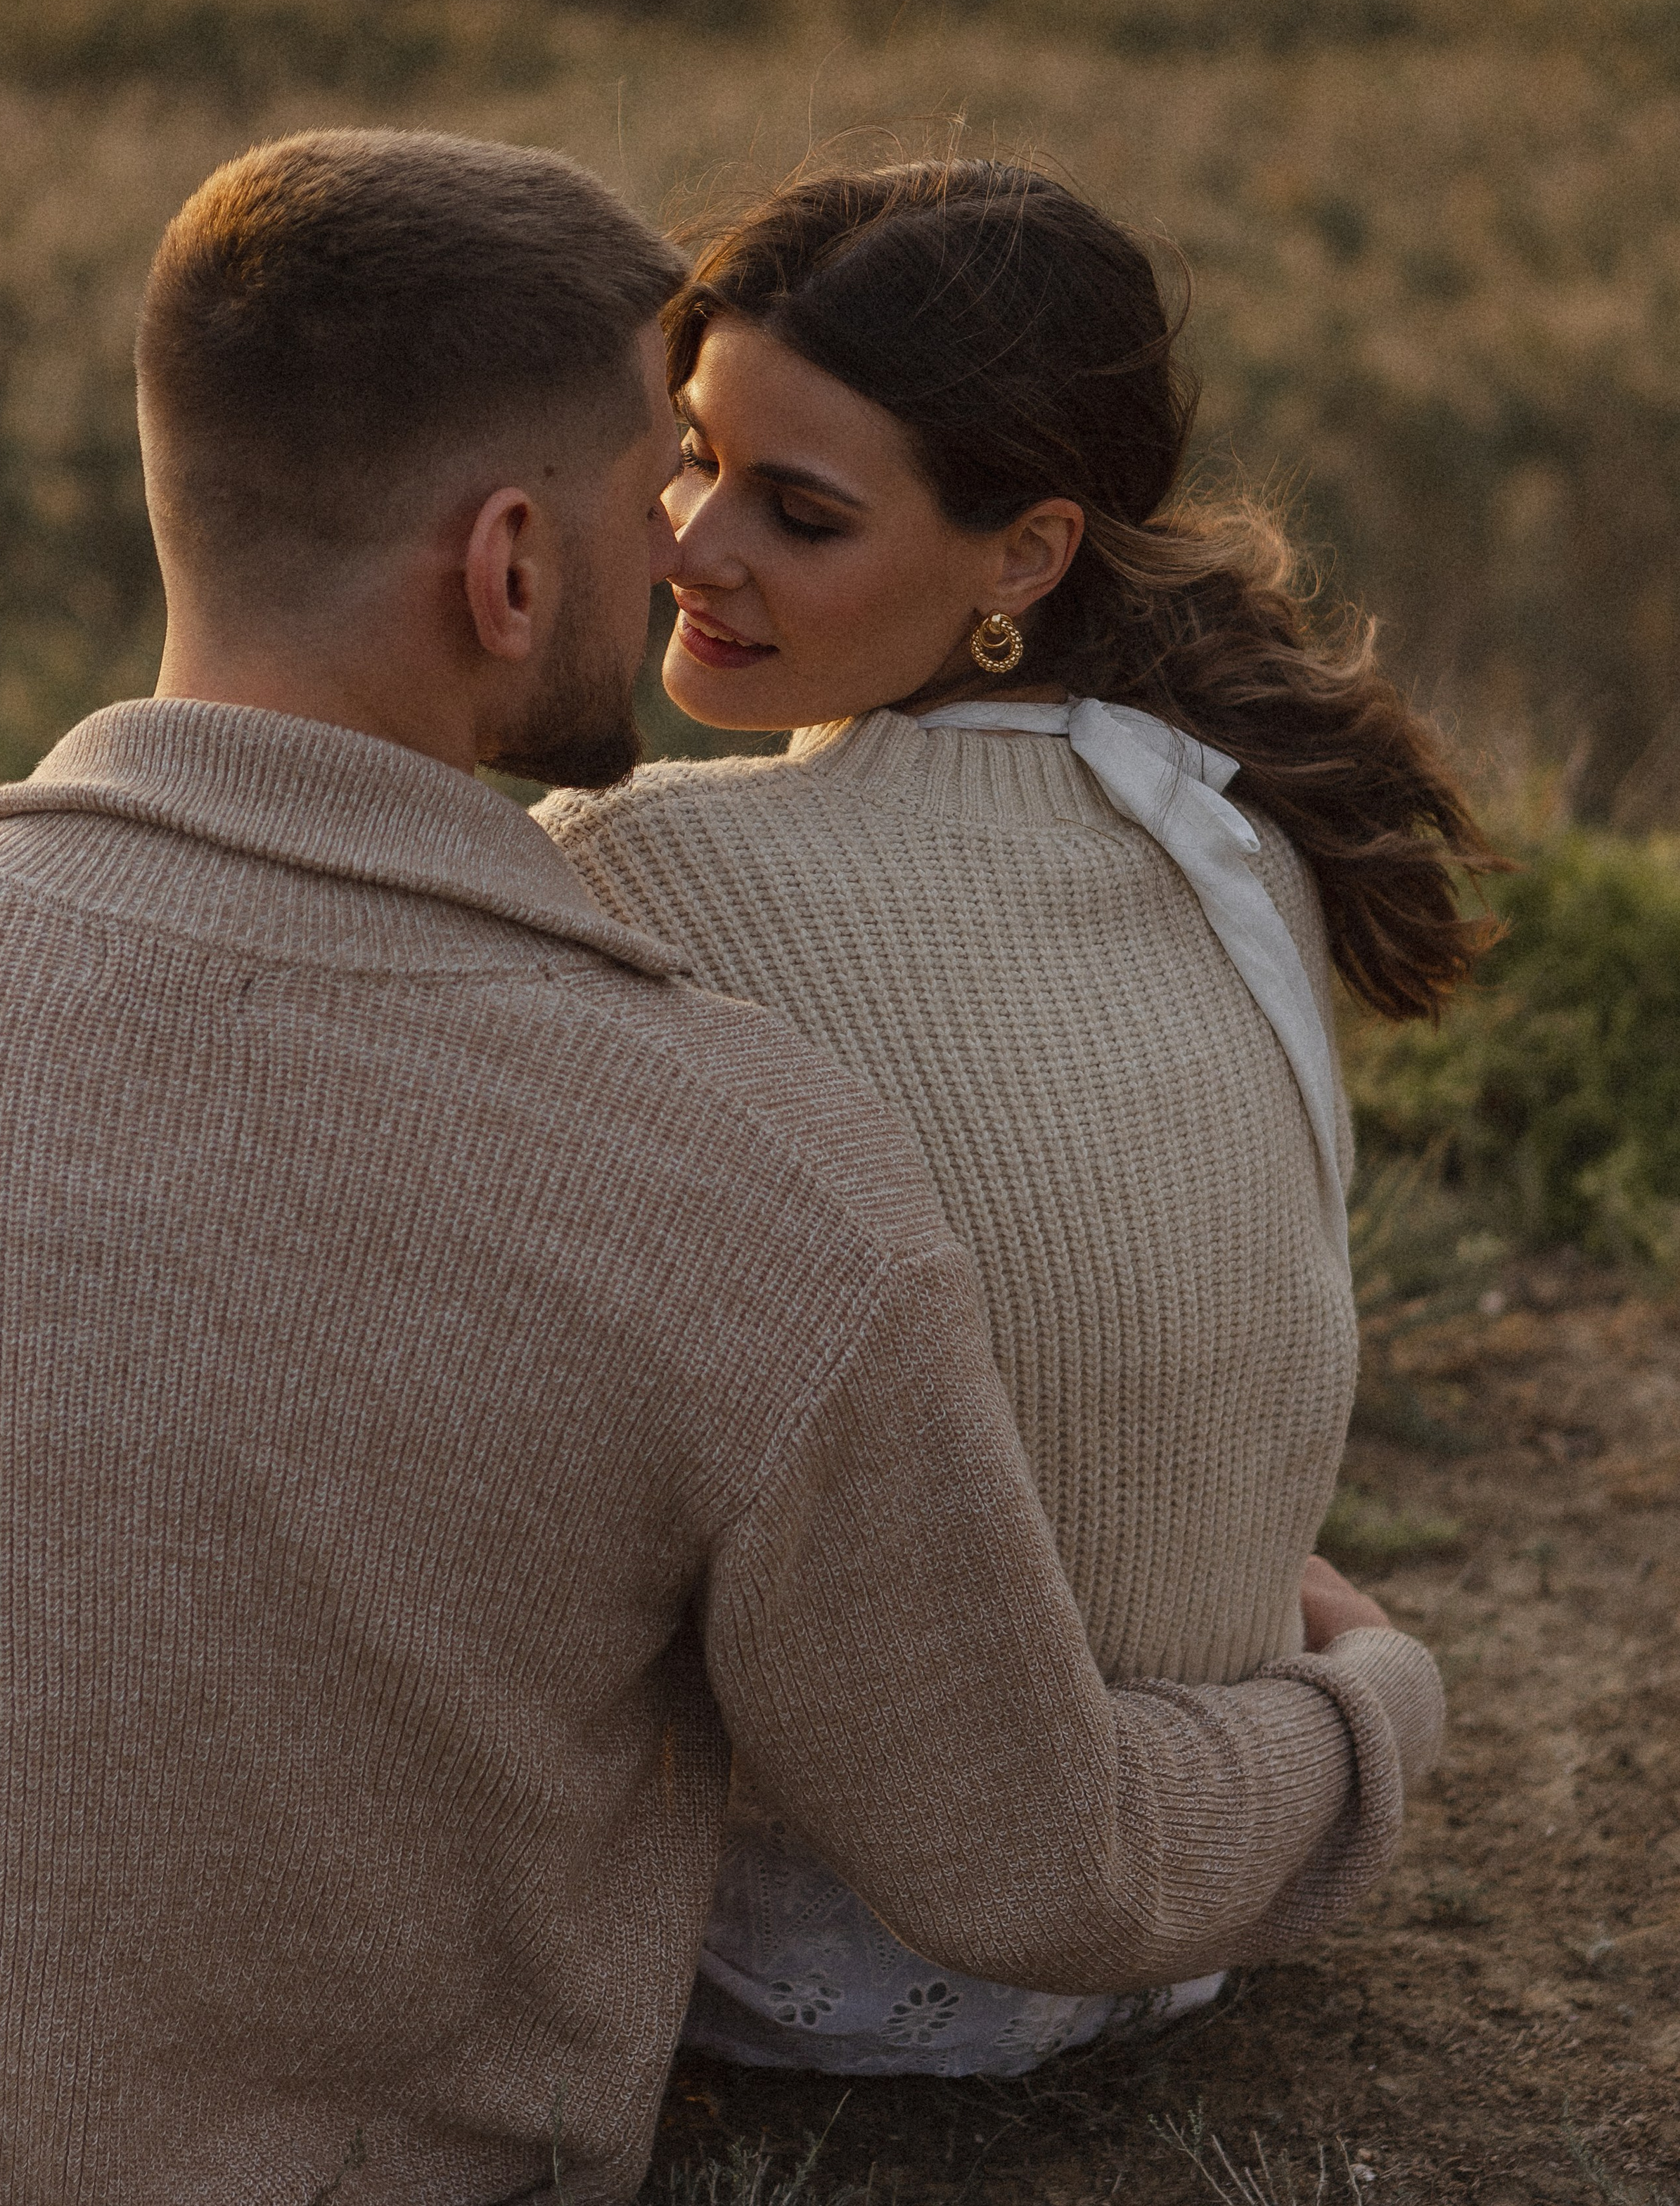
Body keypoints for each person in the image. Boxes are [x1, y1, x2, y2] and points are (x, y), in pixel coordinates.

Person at [0, 130, 1440, 2206]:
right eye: (662, 485)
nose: (689, 548)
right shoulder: (722, 1144)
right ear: (515, 565)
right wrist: (1375, 1708)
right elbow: (1038, 1861)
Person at [539, 158, 1494, 2079]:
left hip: (818, 1938)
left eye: (797, 514)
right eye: (691, 456)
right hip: (1195, 1896)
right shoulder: (1225, 821)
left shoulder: (649, 873)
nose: (692, 547)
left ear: (1023, 556)